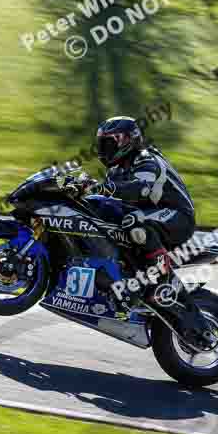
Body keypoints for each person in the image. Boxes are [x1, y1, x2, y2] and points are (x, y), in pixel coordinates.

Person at [85, 116, 196, 315]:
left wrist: (106, 188)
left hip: (178, 217)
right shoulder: (116, 171)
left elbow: (139, 189)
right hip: (151, 217)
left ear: (129, 139)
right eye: (102, 144)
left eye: (110, 143)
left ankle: (164, 276)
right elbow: (110, 198)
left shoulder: (146, 158)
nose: (105, 149)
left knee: (133, 220)